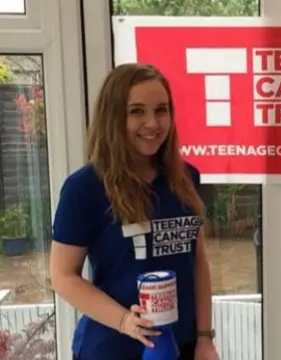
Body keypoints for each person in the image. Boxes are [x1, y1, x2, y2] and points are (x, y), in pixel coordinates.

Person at [49, 63, 220, 360]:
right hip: (112, 348)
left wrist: (205, 338)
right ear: (113, 118)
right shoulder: (85, 188)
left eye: (161, 110)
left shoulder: (186, 178)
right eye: (136, 111)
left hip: (181, 347)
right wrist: (124, 321)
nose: (152, 123)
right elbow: (62, 276)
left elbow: (198, 261)